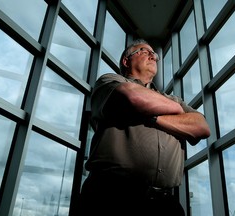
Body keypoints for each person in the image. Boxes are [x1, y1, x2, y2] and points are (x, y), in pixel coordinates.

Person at [77, 39, 210, 216]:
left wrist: (153, 116)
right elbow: (134, 97)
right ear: (126, 61)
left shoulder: (174, 100)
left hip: (165, 203)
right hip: (111, 196)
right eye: (143, 51)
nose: (152, 56)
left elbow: (202, 126)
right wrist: (177, 112)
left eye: (154, 54)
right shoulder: (109, 81)